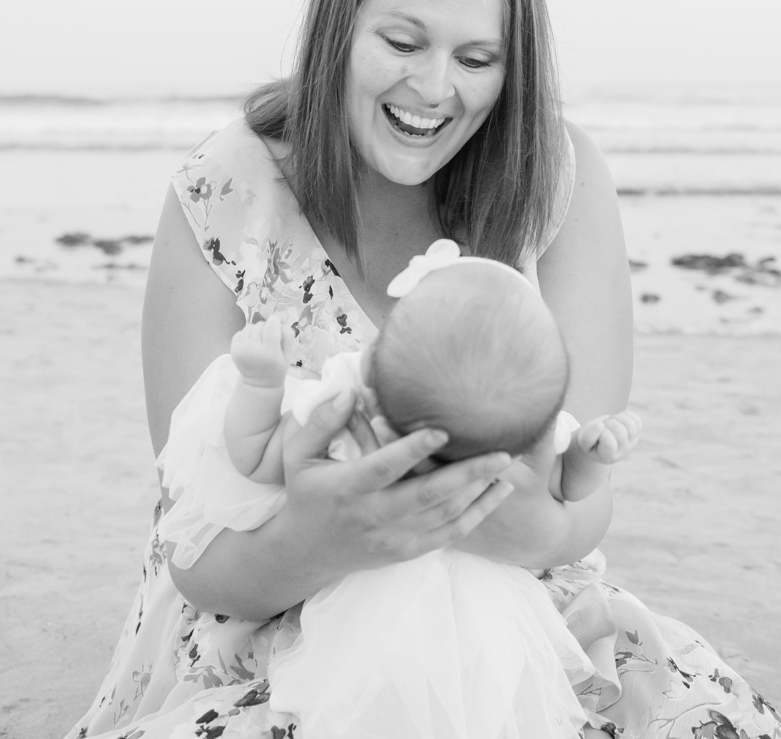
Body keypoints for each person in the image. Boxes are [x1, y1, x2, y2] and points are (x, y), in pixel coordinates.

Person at [66, 0, 781, 739]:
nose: (433, 89)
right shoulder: (224, 191)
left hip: (509, 602)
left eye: (477, 59)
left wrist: (515, 523)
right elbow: (199, 556)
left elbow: (581, 497)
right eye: (403, 41)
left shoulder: (555, 180)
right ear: (340, 27)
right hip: (265, 615)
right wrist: (333, 534)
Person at [155, 240, 643, 738]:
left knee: (348, 702)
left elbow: (254, 458)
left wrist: (261, 387)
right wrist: (589, 454)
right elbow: (566, 485)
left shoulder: (348, 410)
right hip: (483, 610)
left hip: (359, 604)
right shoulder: (515, 433)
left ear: (371, 368)